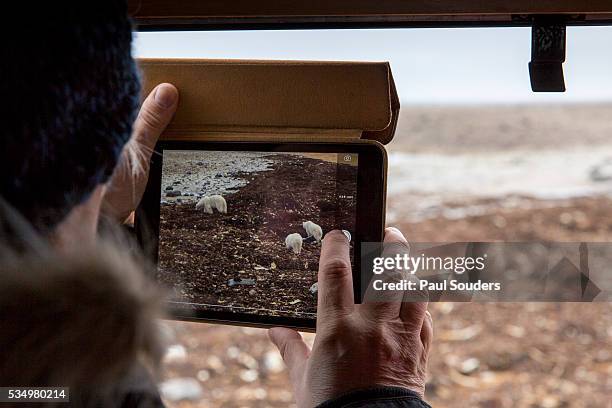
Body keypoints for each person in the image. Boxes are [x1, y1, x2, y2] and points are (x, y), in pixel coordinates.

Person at [0, 1, 432, 407]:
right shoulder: (69, 382)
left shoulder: (26, 377)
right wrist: (370, 398)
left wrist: (88, 228)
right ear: (91, 159)